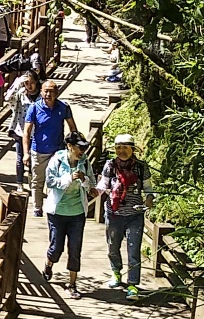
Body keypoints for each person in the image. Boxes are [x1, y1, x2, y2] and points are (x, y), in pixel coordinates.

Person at [98, 133, 154, 298]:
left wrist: (150, 198)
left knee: (133, 249)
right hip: (113, 213)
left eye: (125, 147)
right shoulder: (110, 165)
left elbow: (148, 188)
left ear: (132, 149)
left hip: (134, 214)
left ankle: (133, 284)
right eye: (118, 148)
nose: (121, 151)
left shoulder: (141, 167)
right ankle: (116, 272)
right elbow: (104, 184)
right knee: (113, 246)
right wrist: (96, 191)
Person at [43, 134, 96, 298]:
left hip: (77, 213)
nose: (83, 151)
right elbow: (50, 182)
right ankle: (48, 264)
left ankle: (72, 284)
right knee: (56, 247)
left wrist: (84, 179)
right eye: (80, 147)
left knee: (75, 248)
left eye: (84, 147)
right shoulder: (57, 160)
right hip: (57, 212)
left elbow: (91, 184)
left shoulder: (85, 161)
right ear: (69, 146)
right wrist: (68, 178)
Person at [23, 78, 76, 216]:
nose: (48, 94)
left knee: (58, 179)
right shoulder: (34, 108)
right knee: (37, 181)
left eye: (52, 91)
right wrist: (26, 153)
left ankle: (55, 206)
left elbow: (72, 128)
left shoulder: (63, 107)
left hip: (58, 151)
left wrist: (73, 146)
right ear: (41, 92)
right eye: (46, 91)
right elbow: (27, 132)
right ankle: (37, 208)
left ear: (57, 92)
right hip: (39, 150)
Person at [5, 69, 40, 183]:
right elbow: (7, 98)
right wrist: (18, 83)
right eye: (26, 83)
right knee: (20, 158)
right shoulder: (20, 94)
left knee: (33, 158)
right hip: (20, 130)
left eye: (31, 83)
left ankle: (31, 180)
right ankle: (19, 183)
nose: (29, 86)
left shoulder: (42, 95)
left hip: (37, 132)